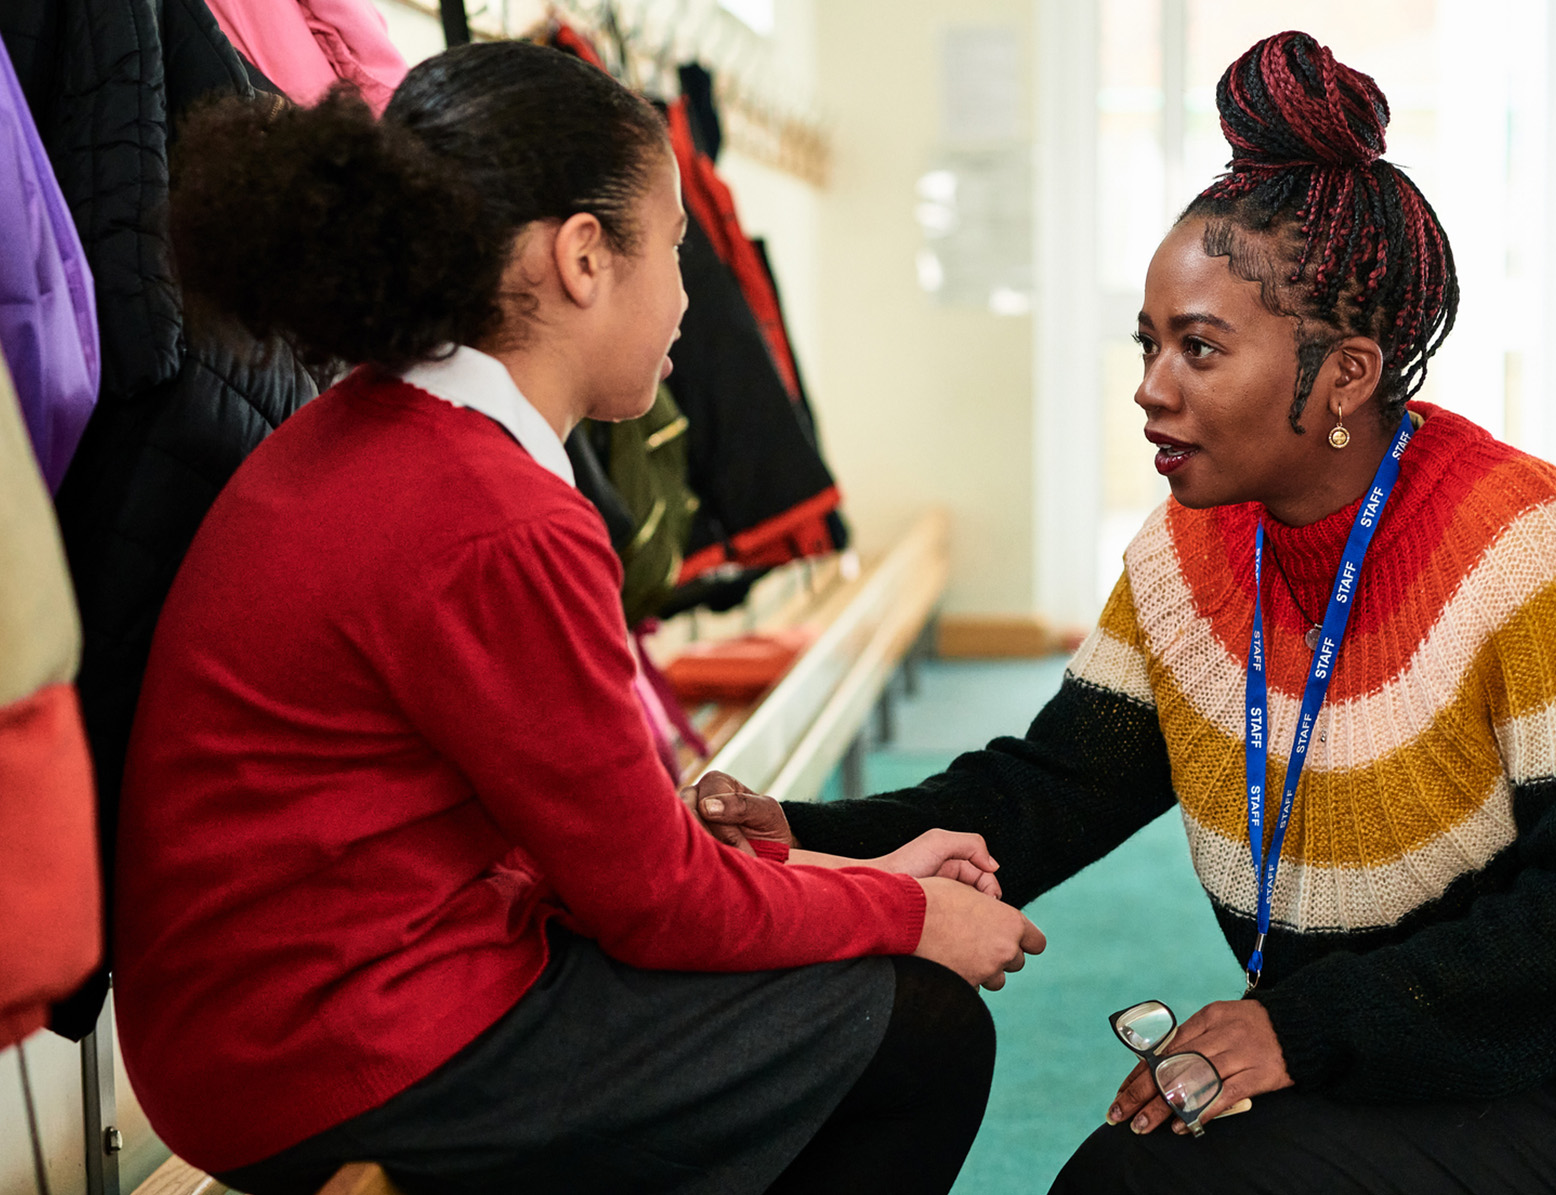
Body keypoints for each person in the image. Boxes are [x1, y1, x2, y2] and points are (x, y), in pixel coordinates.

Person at [754, 31, 1556, 1194]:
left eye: (1198, 347)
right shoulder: (1189, 553)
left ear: (1344, 373)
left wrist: (1295, 1031)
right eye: (1148, 344)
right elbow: (1047, 791)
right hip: (1381, 1052)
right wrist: (791, 835)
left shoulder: (1530, 545)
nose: (1150, 385)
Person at [108, 42, 1041, 1195]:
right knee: (919, 1029)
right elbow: (656, 906)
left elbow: (609, 849)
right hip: (327, 1048)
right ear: (586, 257)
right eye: (678, 252)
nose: (690, 303)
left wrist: (852, 867)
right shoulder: (495, 514)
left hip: (260, 1023)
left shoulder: (380, 427)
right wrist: (907, 915)